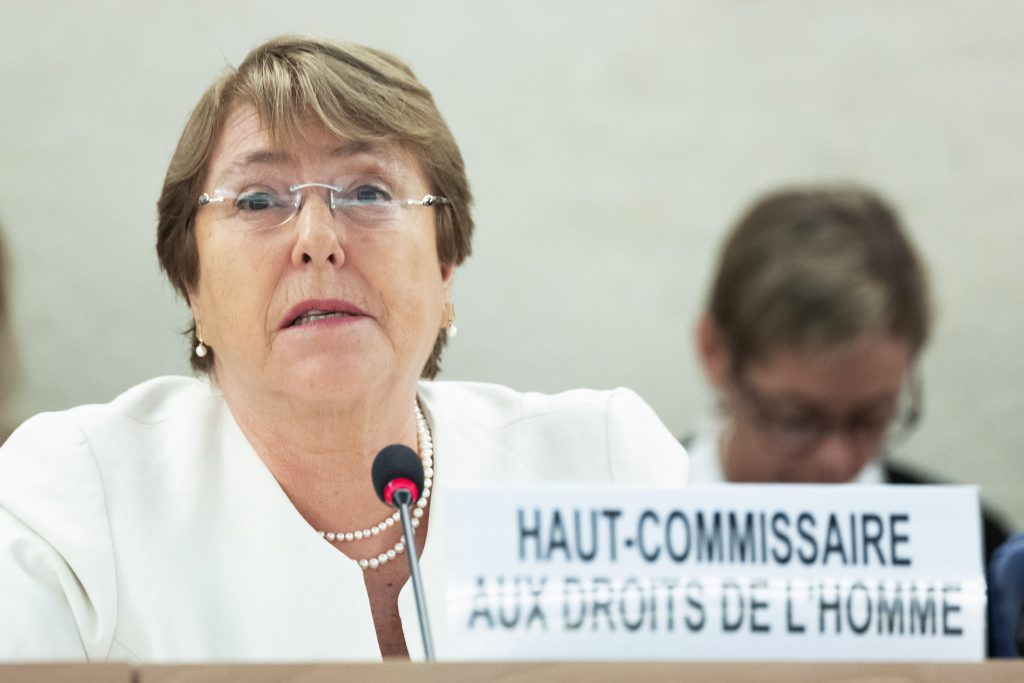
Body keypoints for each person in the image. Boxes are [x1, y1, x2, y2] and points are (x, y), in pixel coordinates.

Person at [0, 36, 688, 662]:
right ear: (192, 287)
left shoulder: (604, 465)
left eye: (366, 191)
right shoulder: (72, 504)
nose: (318, 238)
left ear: (444, 265)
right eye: (258, 201)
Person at [685, 184, 1011, 564]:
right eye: (796, 420)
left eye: (870, 420)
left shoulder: (975, 556)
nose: (835, 463)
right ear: (715, 351)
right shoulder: (614, 542)